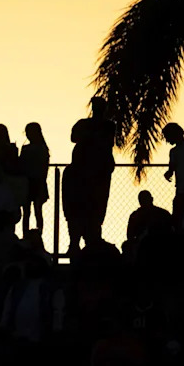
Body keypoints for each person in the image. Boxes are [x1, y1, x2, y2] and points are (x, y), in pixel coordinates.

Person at [62, 97, 115, 253]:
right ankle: (75, 243)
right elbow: (73, 137)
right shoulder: (86, 124)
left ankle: (90, 243)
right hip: (82, 172)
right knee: (76, 209)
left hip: (98, 173)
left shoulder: (108, 125)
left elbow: (107, 142)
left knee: (94, 210)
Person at [20, 122, 50, 232]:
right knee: (32, 211)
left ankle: (32, 233)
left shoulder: (29, 149)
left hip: (35, 182)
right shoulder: (42, 148)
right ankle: (34, 233)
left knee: (32, 211)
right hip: (33, 182)